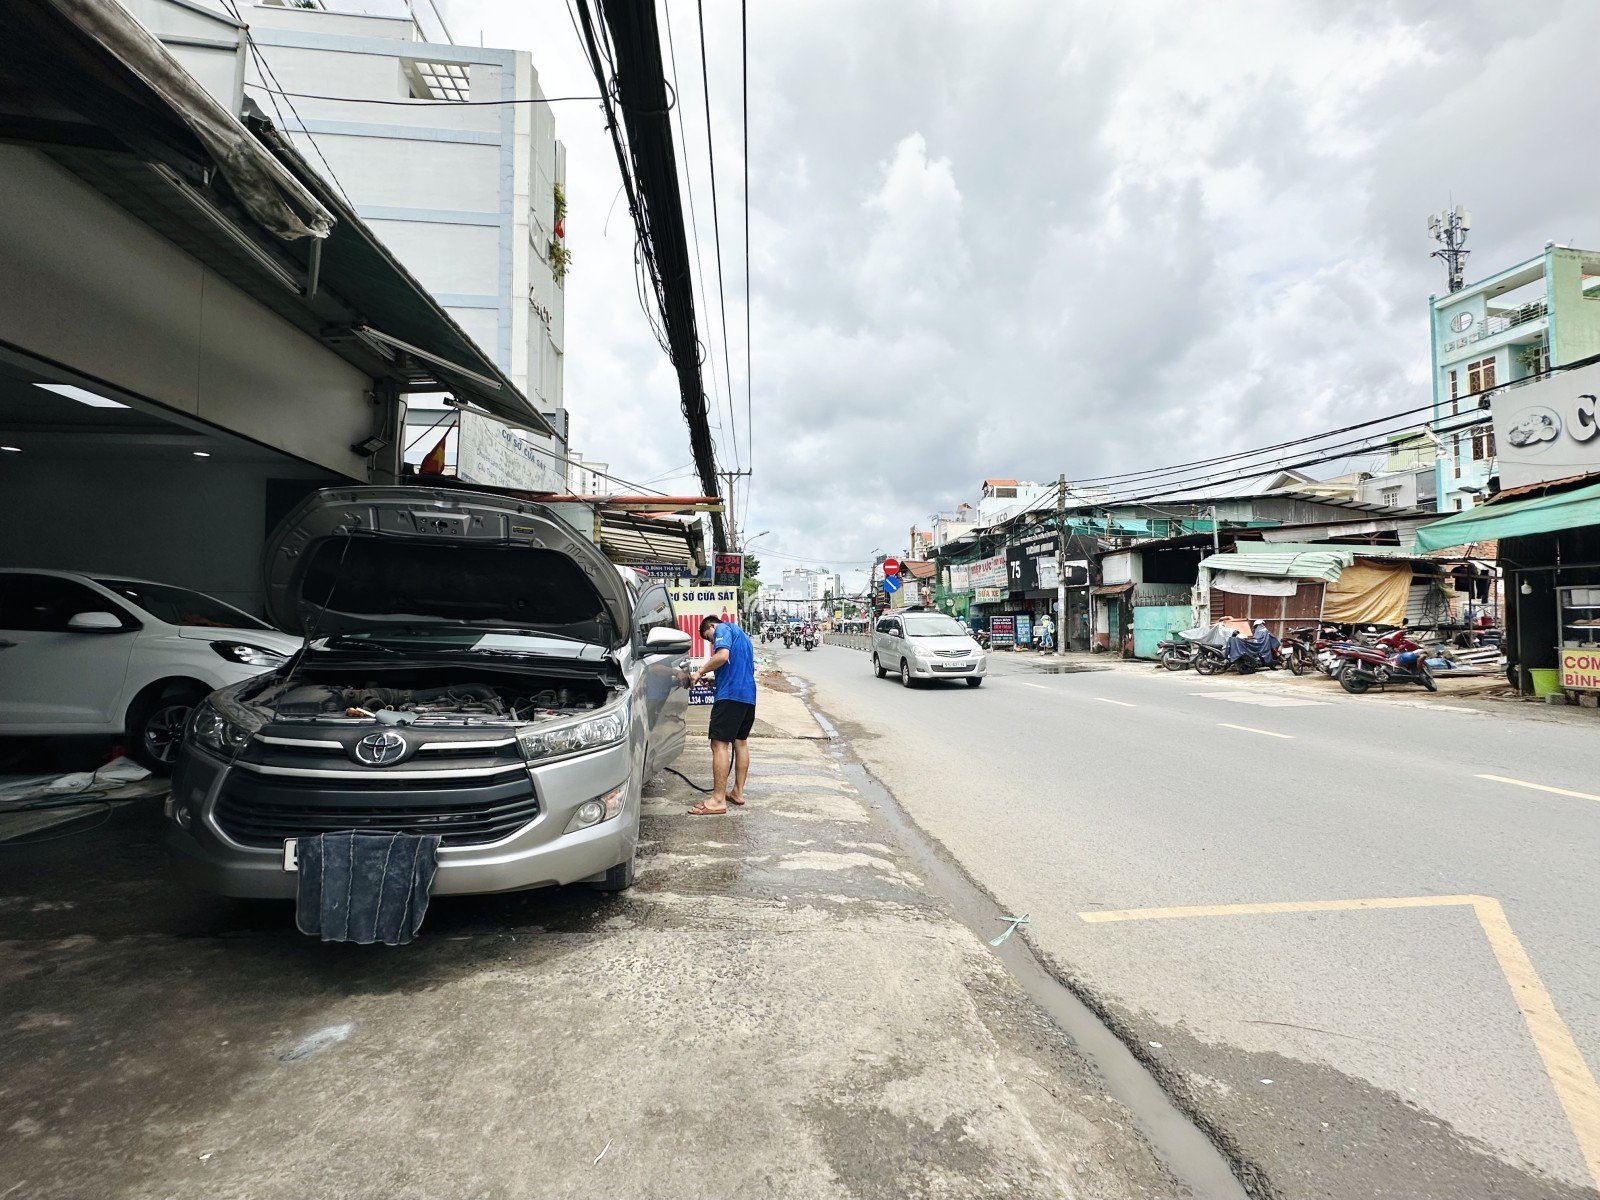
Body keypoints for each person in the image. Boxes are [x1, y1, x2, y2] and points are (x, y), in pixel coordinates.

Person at [687, 614, 757, 815]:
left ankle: (718, 800)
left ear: (711, 626)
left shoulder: (722, 628)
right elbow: (738, 667)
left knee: (719, 744)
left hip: (730, 697)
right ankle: (737, 792)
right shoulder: (743, 636)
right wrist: (716, 680)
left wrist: (699, 672)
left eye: (709, 638)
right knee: (740, 743)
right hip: (748, 696)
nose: (712, 642)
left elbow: (722, 656)